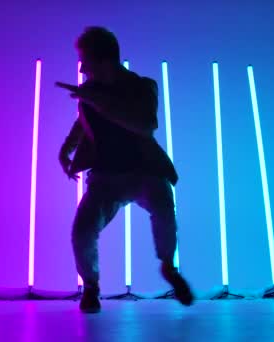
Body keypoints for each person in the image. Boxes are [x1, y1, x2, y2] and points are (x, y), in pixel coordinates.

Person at [56, 26, 193, 313]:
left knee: (164, 210)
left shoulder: (143, 86)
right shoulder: (90, 93)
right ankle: (91, 286)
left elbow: (145, 125)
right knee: (82, 231)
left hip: (145, 171)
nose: (81, 68)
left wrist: (99, 102)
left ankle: (168, 266)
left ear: (105, 61)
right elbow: (82, 123)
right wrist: (66, 150)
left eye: (86, 60)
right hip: (106, 176)